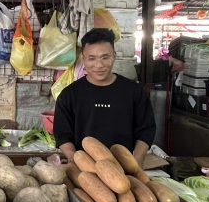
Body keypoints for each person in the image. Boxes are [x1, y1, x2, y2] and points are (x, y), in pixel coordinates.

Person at [54, 28, 156, 165]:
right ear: (83, 59)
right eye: (92, 58)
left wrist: (135, 165)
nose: (99, 65)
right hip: (85, 170)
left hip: (124, 169)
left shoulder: (134, 92)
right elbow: (62, 134)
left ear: (114, 56)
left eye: (105, 57)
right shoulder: (69, 95)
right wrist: (76, 160)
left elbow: (146, 131)